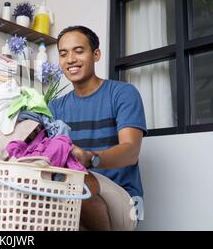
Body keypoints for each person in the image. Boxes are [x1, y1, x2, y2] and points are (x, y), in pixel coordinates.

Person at [48, 26, 147, 231]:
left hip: (125, 200)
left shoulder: (122, 94)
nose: (70, 59)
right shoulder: (55, 107)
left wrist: (91, 158)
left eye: (79, 51)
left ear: (96, 54)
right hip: (72, 197)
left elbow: (131, 152)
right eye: (63, 54)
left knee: (78, 182)